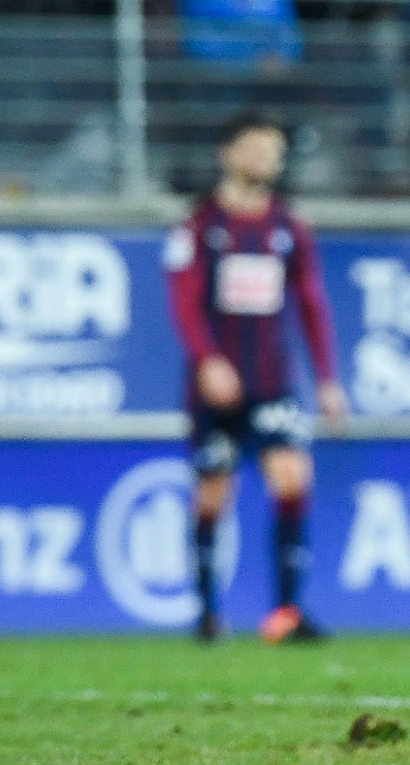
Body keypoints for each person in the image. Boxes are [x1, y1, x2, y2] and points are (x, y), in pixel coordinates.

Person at [164, 112, 346, 644]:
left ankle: (286, 612)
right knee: (213, 493)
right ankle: (207, 614)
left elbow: (311, 301)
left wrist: (327, 377)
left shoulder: (290, 226)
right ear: (229, 154)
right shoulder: (198, 225)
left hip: (271, 380)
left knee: (292, 477)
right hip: (216, 387)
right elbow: (184, 304)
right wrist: (207, 360)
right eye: (255, 148)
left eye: (274, 151)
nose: (265, 159)